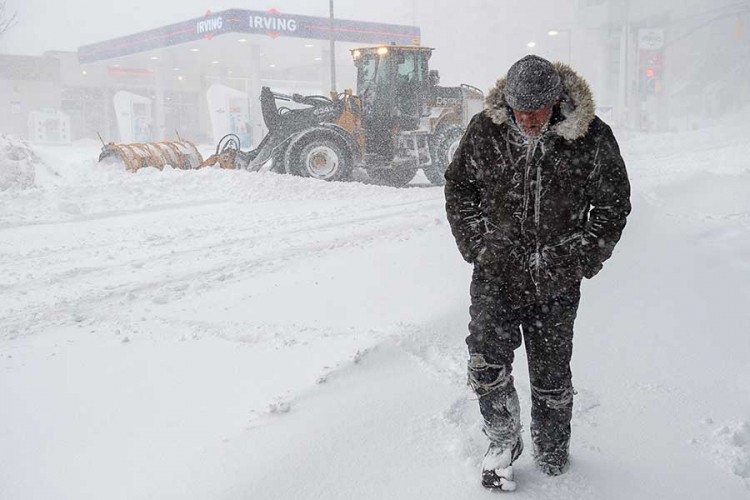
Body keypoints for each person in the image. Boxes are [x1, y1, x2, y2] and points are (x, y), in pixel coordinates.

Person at [444, 55, 631, 490]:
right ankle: (503, 440)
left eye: (537, 110)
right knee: (485, 361)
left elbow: (612, 204)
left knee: (550, 375)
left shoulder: (591, 138)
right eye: (519, 110)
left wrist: (582, 258)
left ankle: (552, 446)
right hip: (496, 273)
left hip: (556, 280)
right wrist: (476, 243)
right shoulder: (485, 132)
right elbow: (458, 186)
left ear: (557, 101)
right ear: (506, 102)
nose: (527, 119)